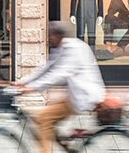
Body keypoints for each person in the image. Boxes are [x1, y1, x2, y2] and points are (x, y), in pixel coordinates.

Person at [15, 21, 105, 153]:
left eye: (51, 36)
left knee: (44, 118)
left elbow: (57, 75)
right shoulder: (64, 46)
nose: (49, 39)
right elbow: (46, 67)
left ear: (58, 36)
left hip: (83, 97)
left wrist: (31, 88)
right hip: (75, 95)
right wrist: (22, 82)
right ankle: (68, 148)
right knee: (41, 118)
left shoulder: (72, 49)